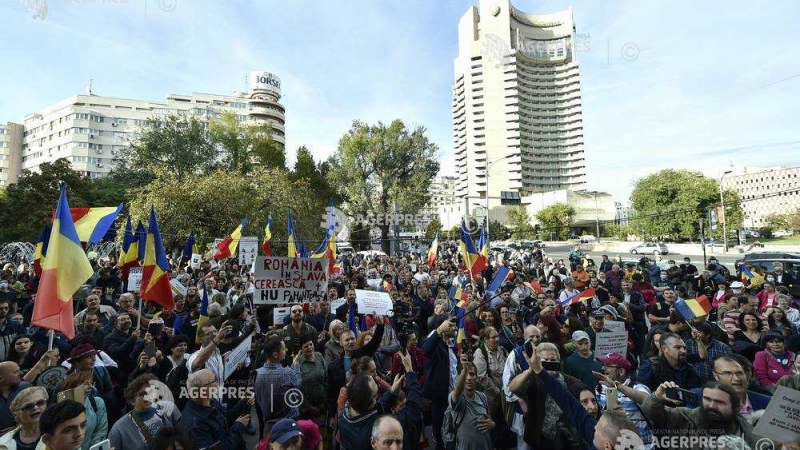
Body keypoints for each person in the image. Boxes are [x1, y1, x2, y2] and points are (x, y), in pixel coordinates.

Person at [338, 352, 421, 450]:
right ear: (373, 402)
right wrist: (410, 373)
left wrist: (392, 392)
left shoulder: (344, 417)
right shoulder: (381, 429)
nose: (376, 379)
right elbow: (413, 410)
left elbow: (376, 408)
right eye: (376, 390)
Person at [641, 381, 760, 448]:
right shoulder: (685, 417)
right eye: (707, 399)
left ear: (735, 408)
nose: (712, 406)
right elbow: (651, 411)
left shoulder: (750, 433)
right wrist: (656, 397)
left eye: (719, 402)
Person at [592, 353, 654, 448]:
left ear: (621, 371)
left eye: (608, 365)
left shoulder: (637, 387)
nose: (603, 368)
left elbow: (648, 401)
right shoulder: (600, 389)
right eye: (603, 365)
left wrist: (617, 386)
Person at [179, 369, 251, 450]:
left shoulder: (209, 400)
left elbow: (225, 417)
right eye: (214, 381)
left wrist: (242, 402)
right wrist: (238, 427)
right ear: (204, 389)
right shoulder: (195, 425)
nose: (217, 384)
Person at [108, 374, 181, 450]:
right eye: (143, 394)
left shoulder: (168, 409)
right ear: (132, 400)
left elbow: (183, 437)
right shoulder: (119, 429)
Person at [422, 317, 459, 450]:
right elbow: (426, 349)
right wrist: (438, 331)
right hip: (439, 396)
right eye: (451, 325)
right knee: (440, 432)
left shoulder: (451, 343)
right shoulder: (435, 341)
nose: (455, 328)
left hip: (454, 394)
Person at [502, 325, 541, 450]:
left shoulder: (545, 351)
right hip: (522, 408)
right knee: (524, 443)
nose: (535, 339)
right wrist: (520, 400)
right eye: (531, 336)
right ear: (524, 337)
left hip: (541, 405)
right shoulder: (515, 354)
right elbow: (507, 384)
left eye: (538, 336)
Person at [255, 335, 302, 437]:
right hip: (287, 424)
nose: (286, 350)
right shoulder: (286, 373)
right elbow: (298, 384)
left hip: (268, 424)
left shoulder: (257, 373)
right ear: (275, 354)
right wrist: (296, 364)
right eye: (284, 349)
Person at [56, 372, 108, 450]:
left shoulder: (97, 402)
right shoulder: (60, 408)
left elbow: (101, 430)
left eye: (91, 383)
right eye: (85, 384)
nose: (90, 386)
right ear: (73, 386)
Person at [448, 361, 494, 450]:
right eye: (465, 375)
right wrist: (465, 369)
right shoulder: (456, 398)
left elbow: (488, 418)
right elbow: (457, 390)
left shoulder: (482, 396)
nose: (468, 378)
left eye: (472, 374)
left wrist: (492, 424)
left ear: (476, 378)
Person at [637, 333, 704, 391]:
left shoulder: (689, 369)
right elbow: (641, 393)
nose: (683, 351)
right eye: (677, 347)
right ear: (664, 349)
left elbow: (697, 393)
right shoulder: (650, 366)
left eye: (684, 348)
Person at [187, 321, 233, 393]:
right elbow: (196, 364)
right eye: (209, 333)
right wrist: (217, 338)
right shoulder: (194, 355)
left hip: (218, 399)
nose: (214, 335)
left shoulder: (217, 353)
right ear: (201, 339)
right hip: (204, 401)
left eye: (215, 331)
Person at [291, 334, 326, 422]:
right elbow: (296, 390)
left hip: (322, 405)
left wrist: (324, 402)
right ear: (301, 350)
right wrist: (308, 407)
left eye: (311, 344)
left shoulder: (319, 356)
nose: (310, 347)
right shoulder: (297, 364)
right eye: (306, 346)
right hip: (306, 409)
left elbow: (326, 379)